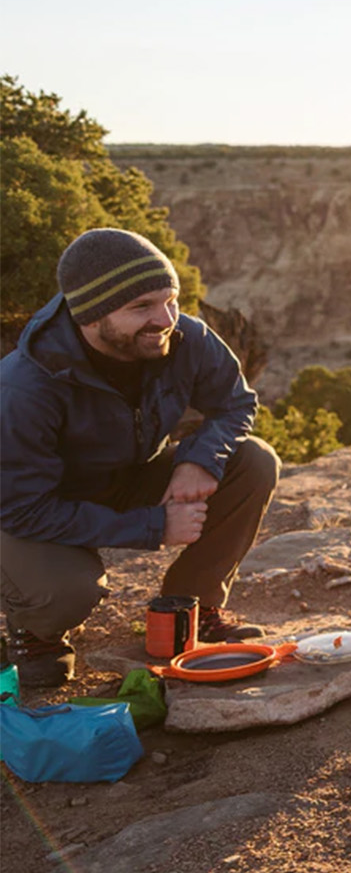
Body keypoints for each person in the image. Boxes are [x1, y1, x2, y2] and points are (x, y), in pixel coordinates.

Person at [1, 228, 280, 688]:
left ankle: (194, 606)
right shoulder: (25, 387)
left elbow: (236, 404)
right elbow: (22, 507)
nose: (166, 318)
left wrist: (200, 459)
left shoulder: (184, 338)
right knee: (68, 592)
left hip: (126, 477)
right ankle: (35, 630)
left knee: (251, 461)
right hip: (37, 506)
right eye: (142, 307)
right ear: (91, 315)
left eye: (170, 299)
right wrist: (154, 528)